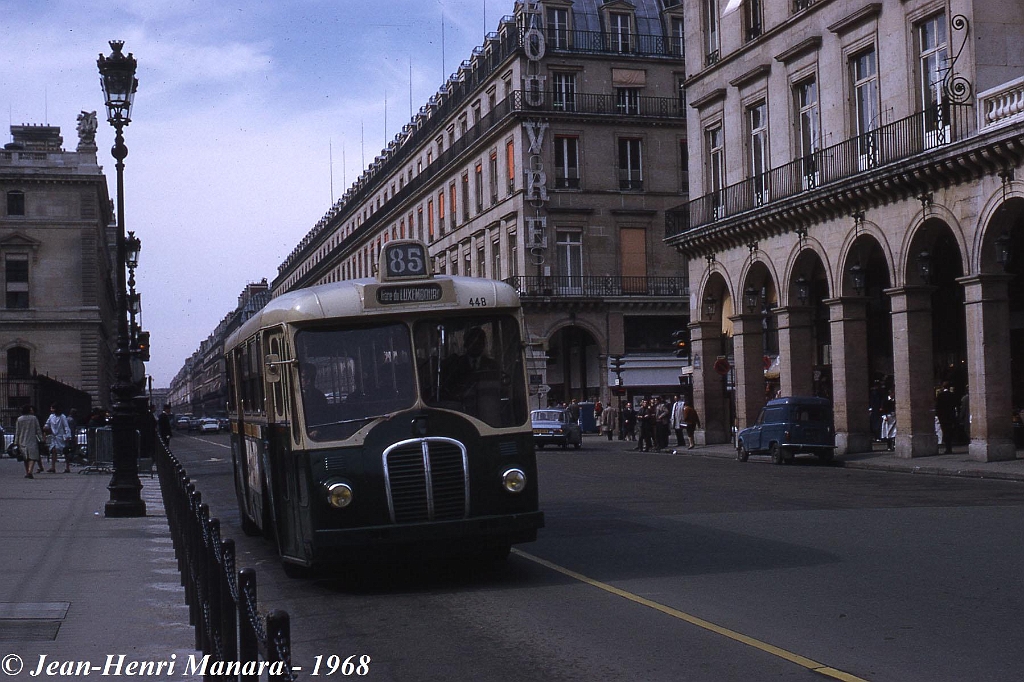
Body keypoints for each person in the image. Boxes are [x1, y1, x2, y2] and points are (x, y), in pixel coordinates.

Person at [15, 404, 43, 478]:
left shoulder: (19, 419)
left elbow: (17, 431)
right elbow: (38, 430)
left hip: (22, 440)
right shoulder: (34, 418)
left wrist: (16, 442)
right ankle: (30, 471)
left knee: (25, 458)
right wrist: (41, 439)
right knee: (33, 457)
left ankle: (27, 471)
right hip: (32, 439)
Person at [44, 403, 72, 473]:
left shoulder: (62, 417)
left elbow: (66, 426)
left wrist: (68, 435)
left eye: (52, 408)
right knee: (53, 451)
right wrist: (46, 427)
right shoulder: (51, 416)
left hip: (61, 436)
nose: (51, 410)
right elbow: (48, 423)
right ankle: (53, 467)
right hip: (54, 436)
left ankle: (67, 467)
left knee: (65, 452)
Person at [935, 382, 958, 454]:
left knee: (945, 431)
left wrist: (938, 415)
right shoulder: (952, 395)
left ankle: (947, 448)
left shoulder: (940, 395)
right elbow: (955, 405)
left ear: (943, 387)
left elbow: (937, 407)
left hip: (943, 417)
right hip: (950, 416)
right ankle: (949, 447)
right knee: (950, 431)